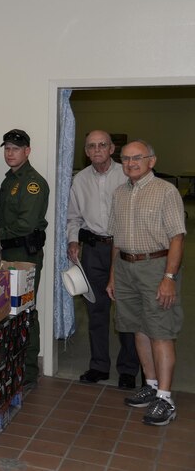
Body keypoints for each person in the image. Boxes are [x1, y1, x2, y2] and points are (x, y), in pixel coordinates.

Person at [108, 140, 185, 426]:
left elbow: (177, 237)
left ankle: (165, 398)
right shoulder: (119, 193)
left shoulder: (166, 192)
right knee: (139, 329)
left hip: (156, 267)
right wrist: (113, 275)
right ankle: (151, 386)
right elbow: (115, 240)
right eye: (125, 159)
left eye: (137, 158)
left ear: (151, 161)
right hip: (126, 267)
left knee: (160, 330)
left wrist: (169, 278)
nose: (130, 163)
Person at [67, 130, 139, 388]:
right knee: (95, 309)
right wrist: (73, 240)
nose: (97, 150)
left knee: (126, 310)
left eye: (102, 145)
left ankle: (129, 369)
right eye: (92, 146)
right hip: (94, 250)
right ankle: (99, 365)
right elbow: (73, 216)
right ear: (86, 152)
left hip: (124, 249)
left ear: (111, 149)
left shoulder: (126, 175)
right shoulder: (80, 179)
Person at [0, 129, 49, 389]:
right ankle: (10, 364)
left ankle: (28, 370)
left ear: (27, 151)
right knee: (5, 310)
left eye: (15, 148)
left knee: (25, 311)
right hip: (4, 253)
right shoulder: (9, 180)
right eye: (7, 148)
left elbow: (24, 225)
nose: (10, 153)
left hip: (23, 254)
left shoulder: (33, 183)